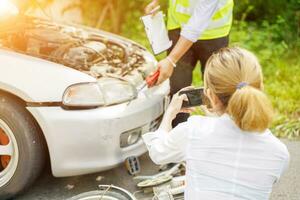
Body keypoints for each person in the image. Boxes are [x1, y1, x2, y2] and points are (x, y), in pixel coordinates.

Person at [142, 47, 290, 200]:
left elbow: (158, 153)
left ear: (211, 96)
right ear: (260, 89)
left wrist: (169, 114)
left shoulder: (193, 132)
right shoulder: (279, 153)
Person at [145, 0, 233, 126]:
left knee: (216, 90)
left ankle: (218, 132)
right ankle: (177, 131)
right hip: (178, 27)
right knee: (178, 89)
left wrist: (171, 60)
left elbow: (195, 26)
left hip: (214, 35)